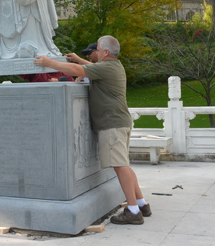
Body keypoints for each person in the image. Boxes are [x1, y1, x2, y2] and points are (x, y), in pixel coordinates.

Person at [33, 35, 150, 225]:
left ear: (105, 52)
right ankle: (142, 204)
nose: (94, 51)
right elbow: (86, 66)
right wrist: (79, 60)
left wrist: (49, 62)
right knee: (124, 165)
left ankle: (133, 211)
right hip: (120, 122)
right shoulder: (114, 66)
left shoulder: (107, 67)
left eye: (97, 48)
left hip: (112, 124)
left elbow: (78, 70)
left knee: (120, 167)